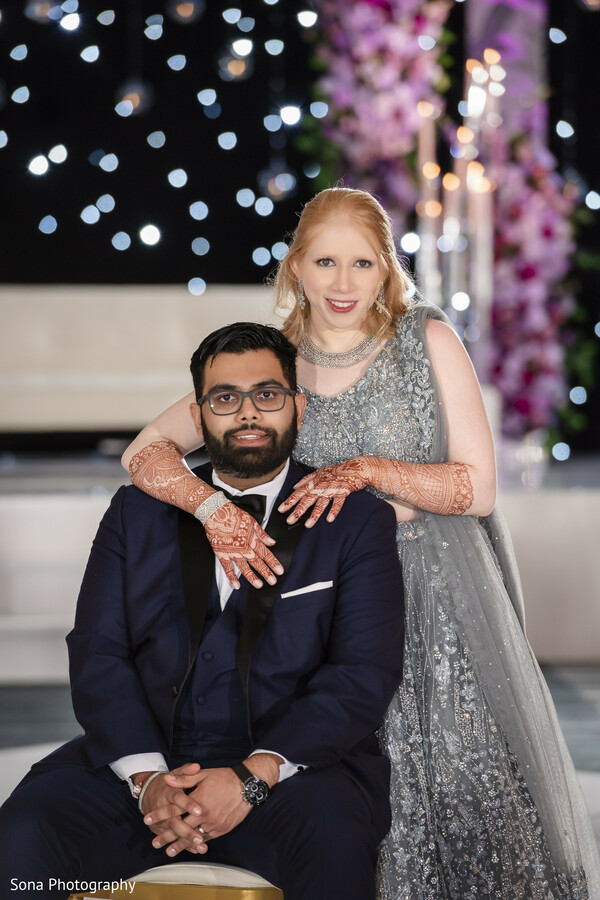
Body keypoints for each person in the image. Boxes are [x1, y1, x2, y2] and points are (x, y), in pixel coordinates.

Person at [122, 187, 600, 899]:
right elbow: (145, 449)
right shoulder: (269, 362)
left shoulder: (426, 339)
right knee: (339, 798)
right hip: (323, 608)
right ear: (294, 268)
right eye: (325, 262)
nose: (343, 284)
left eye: (362, 263)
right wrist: (211, 509)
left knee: (469, 793)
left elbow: (479, 487)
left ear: (387, 269)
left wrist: (370, 471)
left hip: (438, 603)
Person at [0, 323, 405, 900]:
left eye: (267, 395)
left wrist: (251, 779)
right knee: (25, 831)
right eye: (225, 399)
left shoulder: (357, 520)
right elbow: (98, 650)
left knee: (334, 837)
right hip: (147, 774)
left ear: (299, 406)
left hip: (289, 776)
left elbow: (362, 672)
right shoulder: (135, 513)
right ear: (199, 415)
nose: (247, 414)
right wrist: (147, 782)